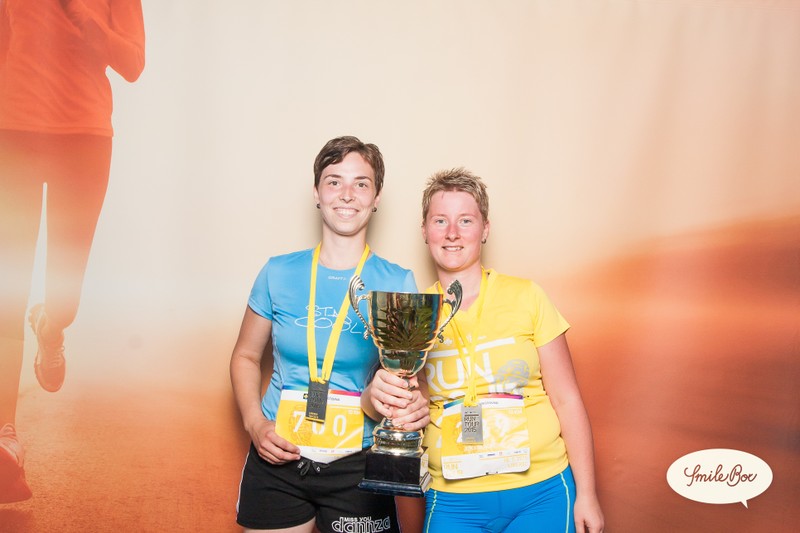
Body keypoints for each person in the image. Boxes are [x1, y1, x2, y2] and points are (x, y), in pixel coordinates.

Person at [230, 136, 430, 533]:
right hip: (278, 454)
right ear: (317, 193)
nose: (347, 194)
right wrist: (255, 424)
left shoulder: (397, 282)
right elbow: (245, 357)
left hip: (357, 463)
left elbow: (411, 381)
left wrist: (408, 404)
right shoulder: (277, 272)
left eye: (361, 183)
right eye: (334, 181)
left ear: (376, 197)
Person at [0, 0, 145, 503]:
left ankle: (51, 326)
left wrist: (87, 19)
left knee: (64, 298)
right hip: (12, 133)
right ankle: (6, 437)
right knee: (7, 290)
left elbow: (133, 63)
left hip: (83, 138)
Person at [406, 168, 604, 533]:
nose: (452, 233)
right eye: (440, 220)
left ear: (485, 229)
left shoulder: (527, 296)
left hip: (541, 492)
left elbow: (566, 399)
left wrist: (588, 494)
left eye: (466, 220)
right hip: (453, 499)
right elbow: (411, 406)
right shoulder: (414, 314)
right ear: (424, 231)